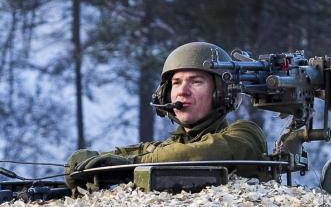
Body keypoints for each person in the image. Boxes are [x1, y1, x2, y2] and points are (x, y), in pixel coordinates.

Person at [65, 42, 271, 188]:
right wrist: (88, 162)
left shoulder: (245, 135)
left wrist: (131, 165)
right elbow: (133, 153)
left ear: (221, 93)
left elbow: (201, 153)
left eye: (196, 82)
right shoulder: (165, 149)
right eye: (176, 83)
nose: (183, 91)